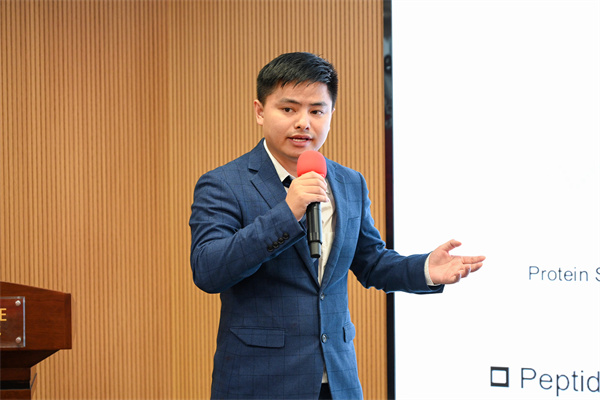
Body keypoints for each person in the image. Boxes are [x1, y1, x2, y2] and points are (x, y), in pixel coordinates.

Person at [189, 52, 485, 400]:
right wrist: (288, 212)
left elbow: (371, 262)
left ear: (331, 114)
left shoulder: (348, 182)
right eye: (289, 109)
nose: (304, 123)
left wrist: (424, 270)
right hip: (260, 382)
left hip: (337, 379)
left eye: (317, 111)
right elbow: (209, 270)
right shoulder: (224, 184)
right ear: (259, 111)